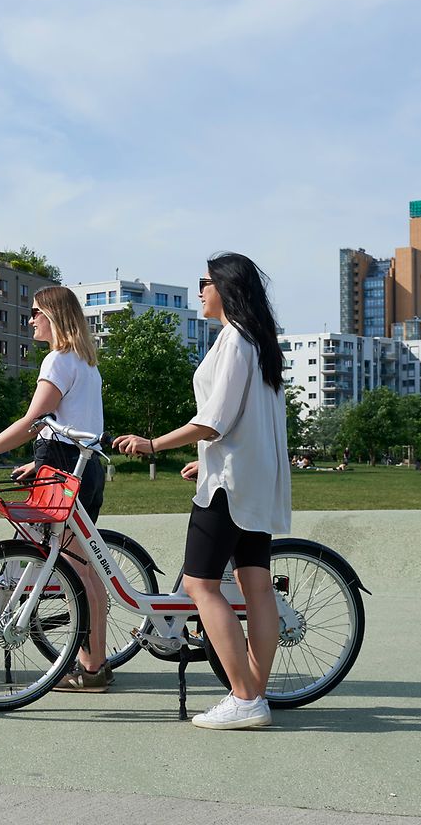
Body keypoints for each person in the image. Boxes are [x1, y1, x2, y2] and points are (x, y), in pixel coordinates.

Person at [113, 253, 290, 731]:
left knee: (199, 584)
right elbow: (245, 423)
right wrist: (206, 457)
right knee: (256, 586)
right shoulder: (259, 343)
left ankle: (244, 697)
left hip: (229, 486)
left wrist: (153, 444)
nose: (200, 292)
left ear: (227, 288)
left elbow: (213, 420)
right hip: (252, 478)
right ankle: (253, 693)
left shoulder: (235, 340)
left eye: (204, 283)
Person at [0, 286, 110, 692]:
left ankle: (90, 671)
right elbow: (75, 428)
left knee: (74, 570)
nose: (30, 319)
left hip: (63, 471)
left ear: (53, 315)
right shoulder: (86, 363)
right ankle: (96, 666)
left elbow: (33, 420)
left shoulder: (57, 360)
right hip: (83, 470)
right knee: (84, 569)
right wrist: (38, 463)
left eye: (35, 312)